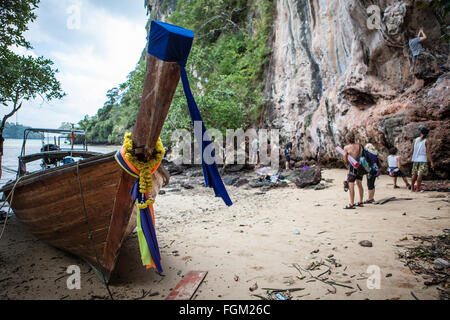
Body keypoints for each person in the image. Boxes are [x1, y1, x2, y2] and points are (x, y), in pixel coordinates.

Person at [408, 127, 434, 192]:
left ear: (421, 133)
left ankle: (412, 188)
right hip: (423, 160)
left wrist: (408, 156)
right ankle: (417, 188)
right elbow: (428, 152)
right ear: (427, 134)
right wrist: (431, 162)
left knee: (414, 174)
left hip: (415, 159)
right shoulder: (427, 141)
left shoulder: (415, 140)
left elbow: (411, 150)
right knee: (420, 174)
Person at [343, 132, 364, 209]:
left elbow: (345, 159)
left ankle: (351, 203)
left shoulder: (346, 147)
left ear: (348, 139)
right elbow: (362, 156)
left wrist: (347, 165)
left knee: (351, 185)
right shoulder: (360, 146)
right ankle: (361, 201)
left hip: (352, 168)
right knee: (359, 184)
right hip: (360, 167)